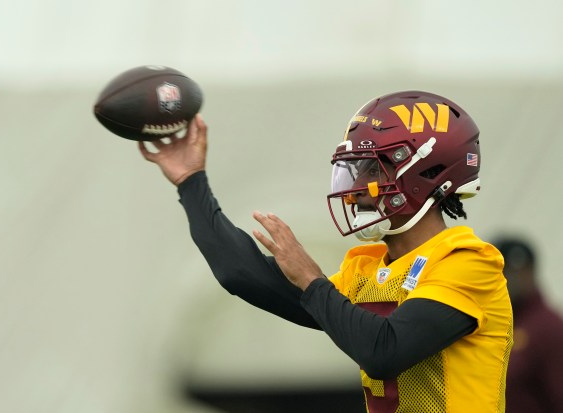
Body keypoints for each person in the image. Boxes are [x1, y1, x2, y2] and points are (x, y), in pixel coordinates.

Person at [139, 91, 513, 412]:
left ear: (428, 172)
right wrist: (191, 181)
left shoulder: (468, 262)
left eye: (373, 169)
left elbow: (384, 352)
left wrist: (311, 280)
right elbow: (239, 273)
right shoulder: (369, 270)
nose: (356, 187)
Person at [492, 237, 563, 413]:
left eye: (511, 271)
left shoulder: (549, 328)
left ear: (529, 272)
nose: (506, 280)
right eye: (498, 272)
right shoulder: (496, 325)